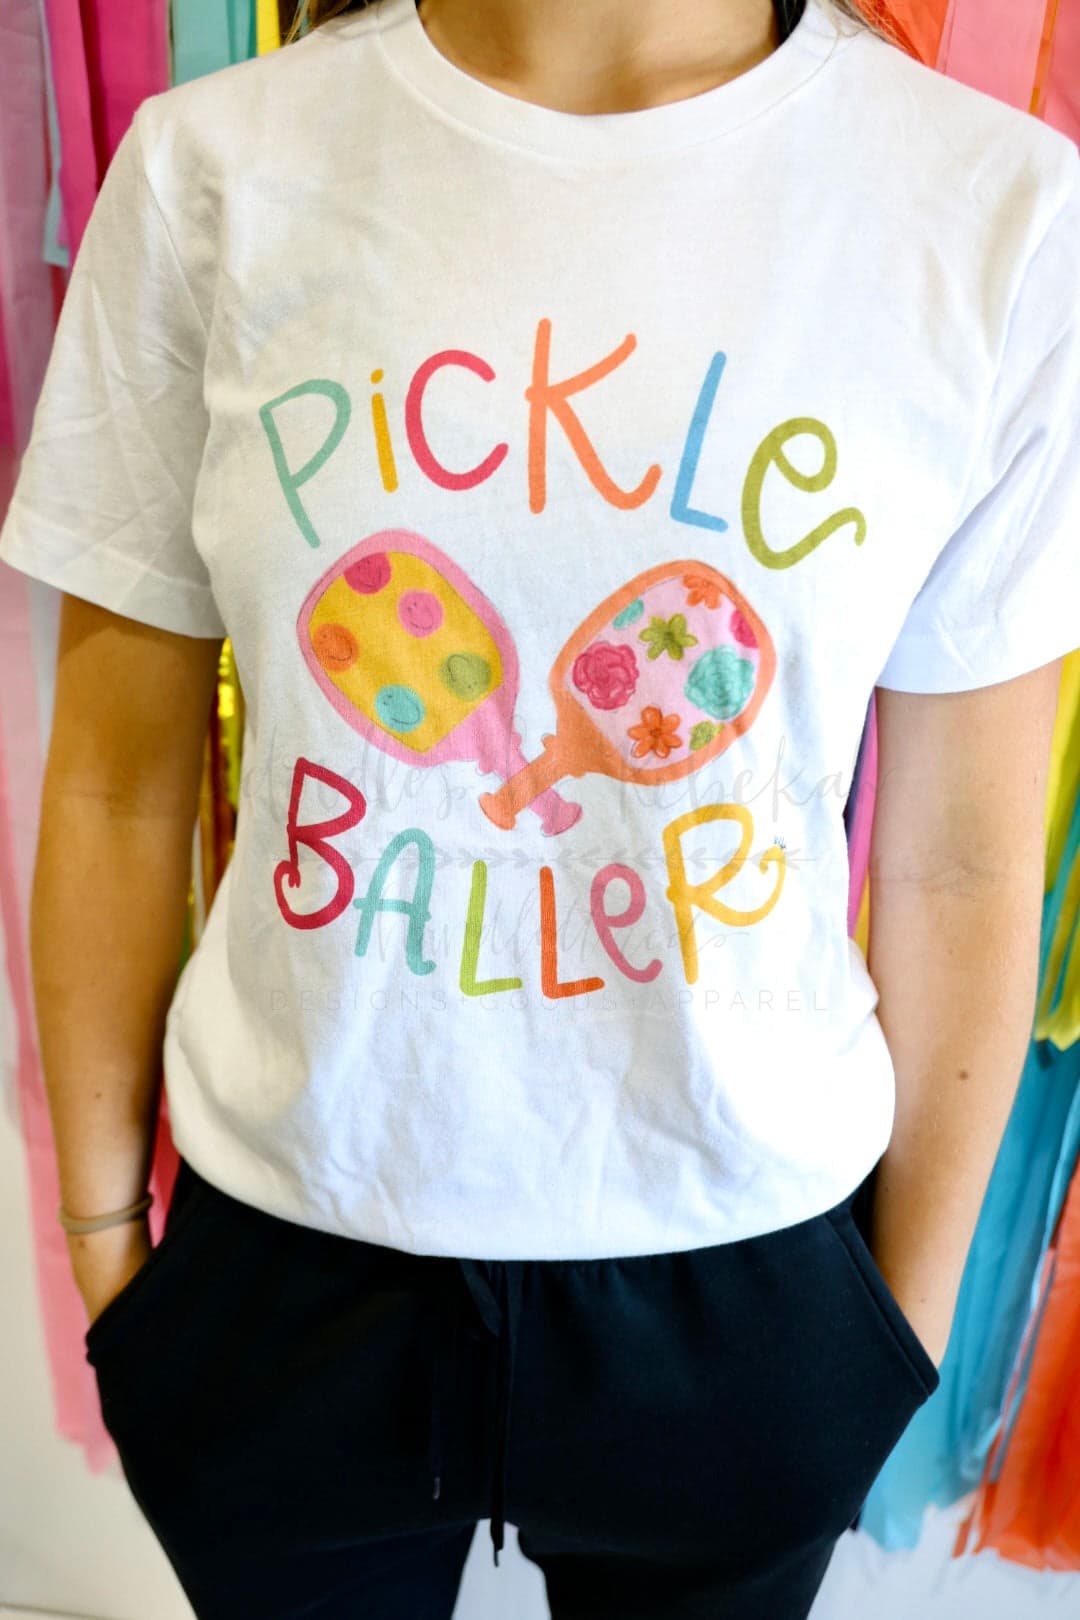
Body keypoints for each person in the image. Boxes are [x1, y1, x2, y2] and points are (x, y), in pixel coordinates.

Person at [2, 0, 1079, 1614]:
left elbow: (963, 863)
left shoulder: (990, 213)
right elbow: (113, 787)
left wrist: (891, 1346)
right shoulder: (212, 170)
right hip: (286, 1268)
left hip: (751, 1285)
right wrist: (108, 1259)